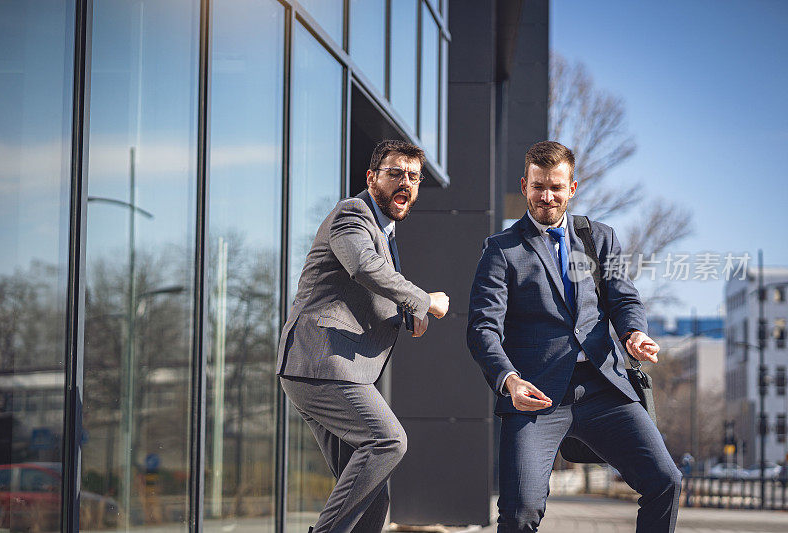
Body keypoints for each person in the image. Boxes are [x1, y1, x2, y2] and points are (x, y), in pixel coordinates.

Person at [466, 141, 682, 532]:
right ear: (524, 184)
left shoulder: (600, 238)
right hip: (535, 396)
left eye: (555, 187)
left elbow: (624, 297)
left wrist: (634, 333)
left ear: (573, 188)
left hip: (604, 387)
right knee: (519, 513)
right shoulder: (501, 249)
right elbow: (483, 328)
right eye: (537, 186)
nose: (546, 196)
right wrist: (509, 380)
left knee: (666, 481)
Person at [278, 139, 450, 533]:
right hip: (322, 363)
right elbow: (364, 267)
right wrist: (424, 300)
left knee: (373, 497)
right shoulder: (352, 214)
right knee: (388, 441)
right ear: (372, 178)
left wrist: (409, 311)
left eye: (413, 176)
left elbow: (374, 284)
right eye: (395, 174)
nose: (405, 182)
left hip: (335, 369)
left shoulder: (385, 232)